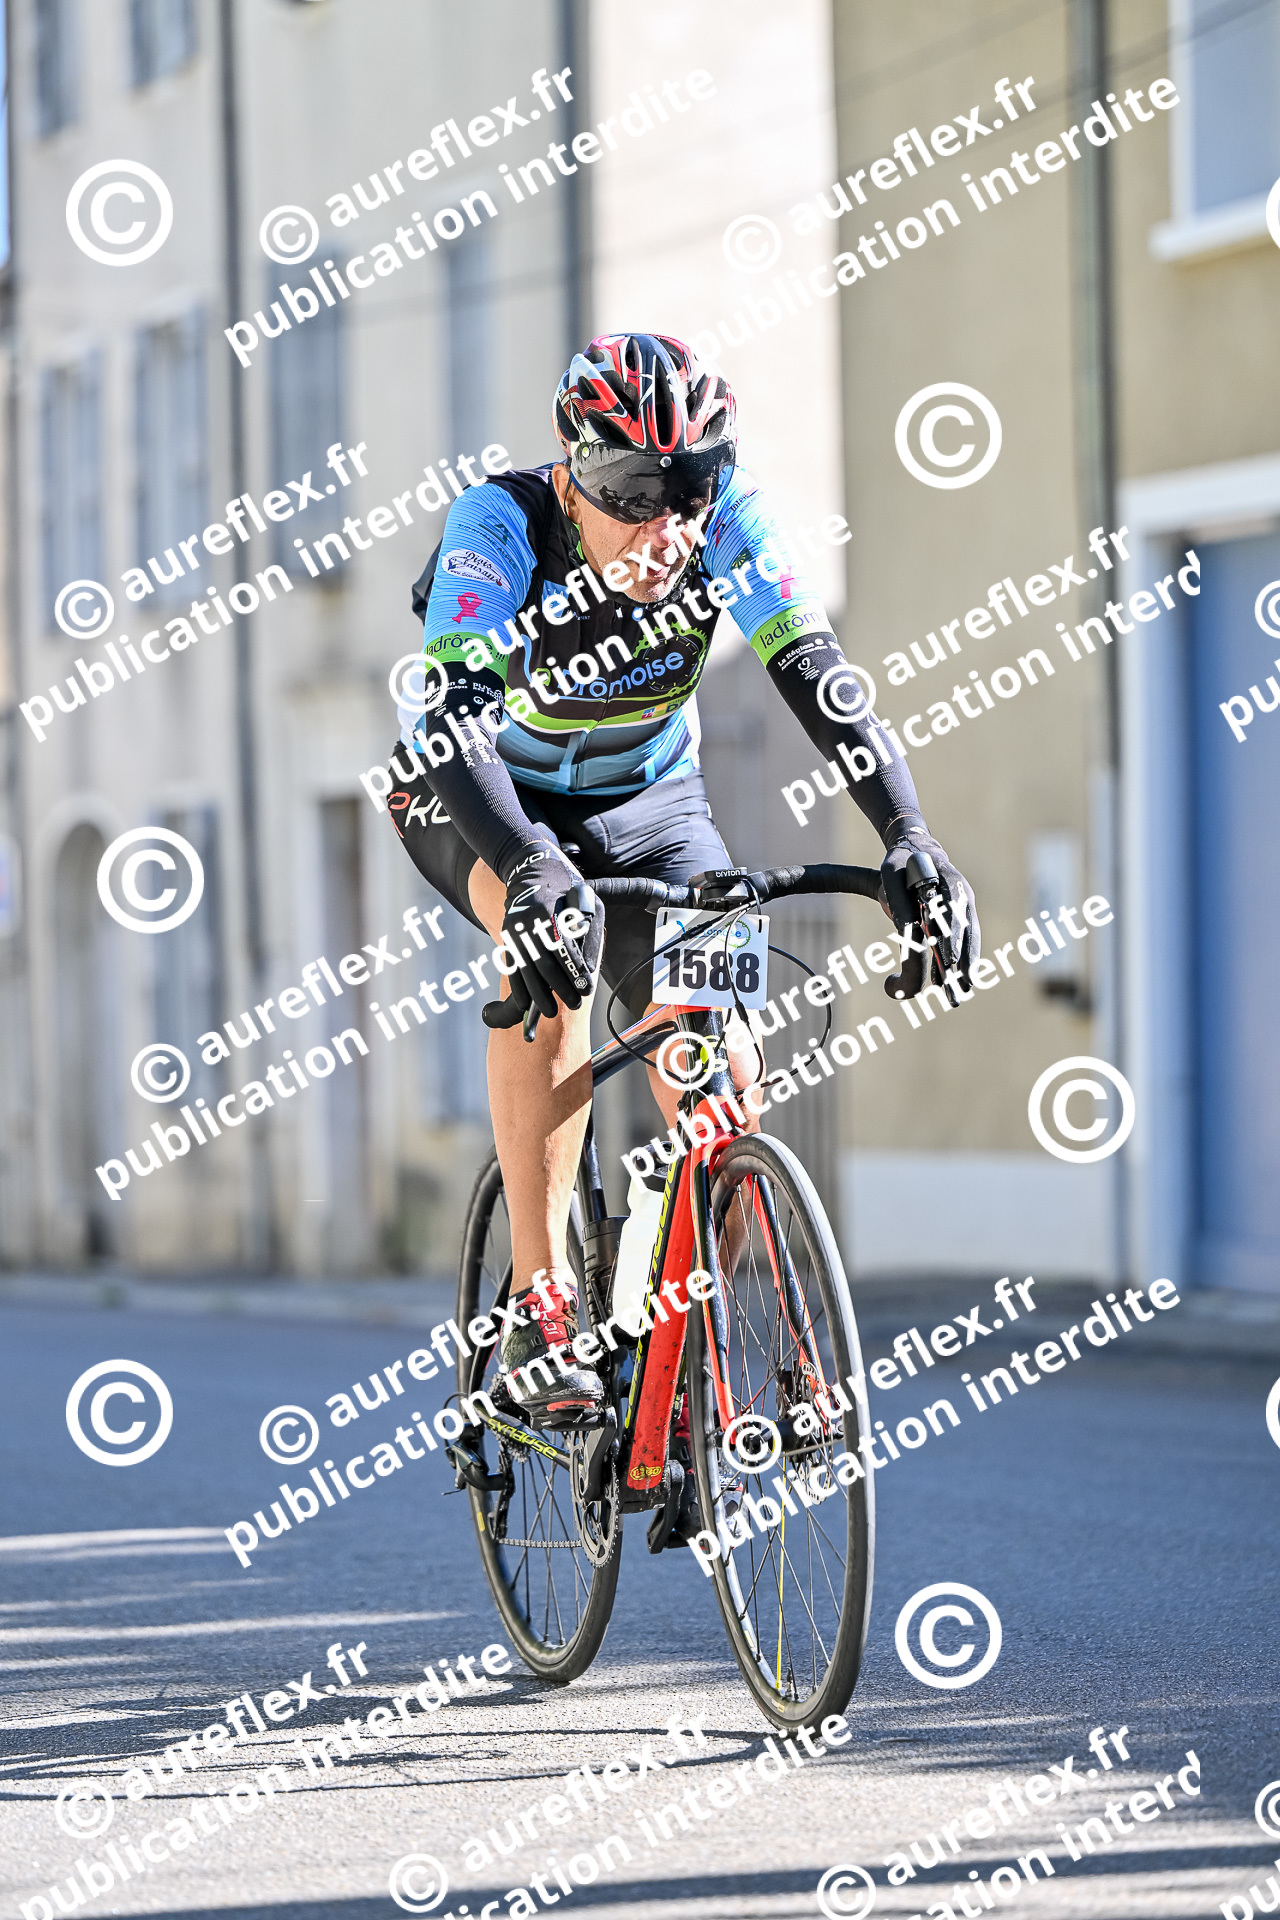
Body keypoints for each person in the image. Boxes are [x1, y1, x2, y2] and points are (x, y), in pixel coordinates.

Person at [387, 330, 978, 1427]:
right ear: (573, 471)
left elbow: (814, 672)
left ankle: (677, 1332)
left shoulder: (726, 525)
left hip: (652, 806)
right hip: (480, 798)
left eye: (692, 487)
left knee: (722, 1065)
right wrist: (527, 862)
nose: (666, 526)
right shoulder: (499, 525)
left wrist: (909, 833)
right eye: (631, 490)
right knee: (549, 963)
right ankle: (542, 1309)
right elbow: (453, 723)